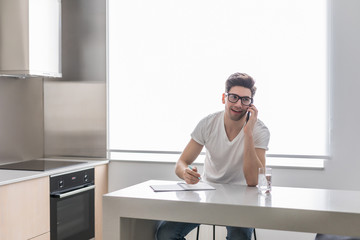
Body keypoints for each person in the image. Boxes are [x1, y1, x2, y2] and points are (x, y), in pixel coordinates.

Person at [155, 72, 270, 240]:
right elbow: (182, 162)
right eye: (233, 97)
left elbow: (253, 180)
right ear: (224, 98)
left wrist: (248, 133)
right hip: (208, 194)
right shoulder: (208, 123)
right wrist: (185, 172)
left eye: (245, 99)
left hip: (242, 199)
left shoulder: (259, 130)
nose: (238, 104)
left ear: (251, 104)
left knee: (240, 237)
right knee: (165, 233)